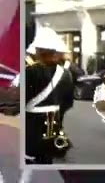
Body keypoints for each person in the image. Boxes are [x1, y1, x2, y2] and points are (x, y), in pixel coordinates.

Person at [24, 26, 74, 165]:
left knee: (30, 159)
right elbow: (68, 103)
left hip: (32, 123)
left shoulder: (30, 72)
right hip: (53, 123)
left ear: (38, 51)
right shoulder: (66, 74)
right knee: (47, 159)